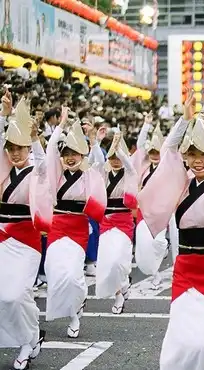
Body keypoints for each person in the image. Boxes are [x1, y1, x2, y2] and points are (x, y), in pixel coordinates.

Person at [137, 92, 204, 369]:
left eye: (203, 155)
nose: (197, 161)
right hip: (186, 269)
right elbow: (168, 151)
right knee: (180, 341)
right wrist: (184, 119)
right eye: (192, 155)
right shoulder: (181, 182)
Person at [37, 106, 107, 339]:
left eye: (75, 153)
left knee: (73, 274)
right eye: (66, 153)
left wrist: (93, 140)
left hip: (78, 229)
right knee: (55, 272)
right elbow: (49, 150)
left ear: (82, 155)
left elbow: (98, 161)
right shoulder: (56, 171)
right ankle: (72, 310)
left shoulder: (88, 173)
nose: (70, 157)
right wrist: (61, 125)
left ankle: (76, 312)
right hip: (57, 226)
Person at [0, 94, 46, 369]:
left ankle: (29, 340)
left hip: (27, 241)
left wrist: (36, 138)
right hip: (2, 239)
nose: (15, 152)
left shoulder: (36, 171)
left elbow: (43, 163)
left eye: (21, 147)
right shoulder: (4, 172)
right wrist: (5, 116)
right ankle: (32, 337)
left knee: (15, 294)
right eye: (10, 148)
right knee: (6, 295)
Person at [95, 129, 138, 314]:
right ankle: (119, 293)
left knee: (120, 262)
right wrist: (95, 141)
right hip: (106, 222)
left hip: (123, 221)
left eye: (117, 156)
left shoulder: (130, 172)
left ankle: (124, 281)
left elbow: (129, 164)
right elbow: (96, 161)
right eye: (111, 156)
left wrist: (119, 148)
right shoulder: (103, 173)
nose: (114, 160)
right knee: (108, 261)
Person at [133, 115, 178, 288]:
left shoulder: (168, 167)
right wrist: (146, 125)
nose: (153, 155)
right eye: (151, 152)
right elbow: (139, 146)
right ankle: (155, 274)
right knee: (152, 242)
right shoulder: (144, 168)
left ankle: (177, 269)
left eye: (156, 152)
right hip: (149, 211)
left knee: (175, 241)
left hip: (168, 209)